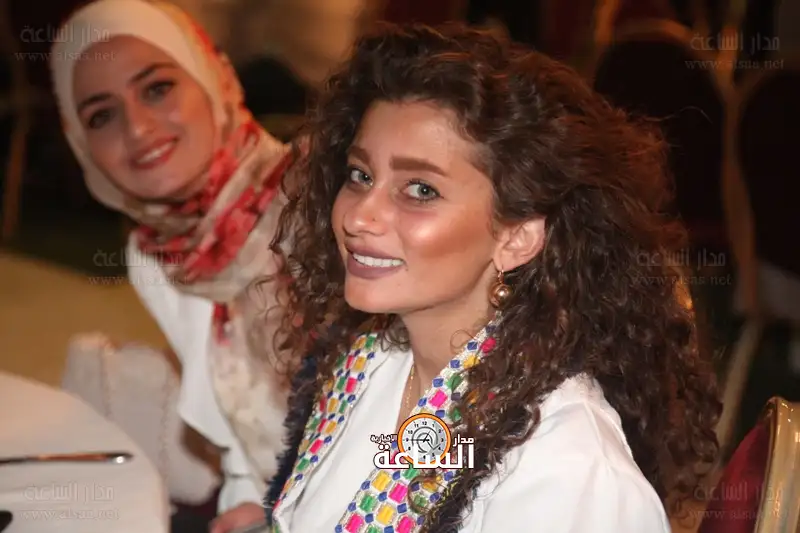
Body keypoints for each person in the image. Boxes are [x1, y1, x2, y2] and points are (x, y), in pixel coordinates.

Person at [262, 23, 722, 532]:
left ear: (517, 238)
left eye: (420, 190)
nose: (357, 216)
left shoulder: (564, 476)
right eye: (361, 175)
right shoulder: (374, 363)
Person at [49, 1, 301, 531]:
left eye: (157, 88)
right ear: (79, 143)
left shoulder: (323, 205)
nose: (138, 129)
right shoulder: (156, 254)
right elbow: (242, 431)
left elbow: (438, 417)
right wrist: (253, 499)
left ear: (213, 77)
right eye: (101, 116)